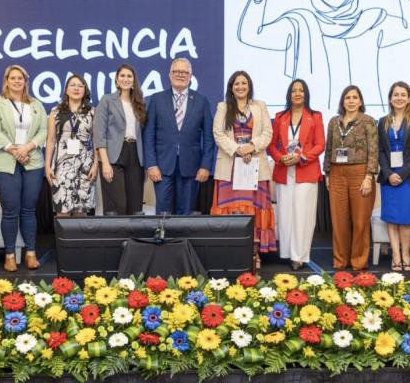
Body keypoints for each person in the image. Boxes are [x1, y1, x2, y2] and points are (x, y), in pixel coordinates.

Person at [0, 65, 48, 272]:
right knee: (10, 210)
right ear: (6, 81)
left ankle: (30, 254)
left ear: (25, 82)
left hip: (33, 162)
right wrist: (15, 151)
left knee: (29, 210)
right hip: (5, 163)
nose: (17, 81)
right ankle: (10, 255)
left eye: (20, 78)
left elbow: (43, 130)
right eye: (13, 78)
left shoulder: (36, 104)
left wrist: (27, 148)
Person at [211, 71, 275, 270]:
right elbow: (218, 134)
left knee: (254, 212)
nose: (240, 86)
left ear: (249, 86)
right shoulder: (223, 107)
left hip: (254, 166)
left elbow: (267, 133)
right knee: (232, 212)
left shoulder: (260, 106)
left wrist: (251, 147)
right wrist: (238, 149)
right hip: (230, 167)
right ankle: (232, 253)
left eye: (244, 83)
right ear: (231, 87)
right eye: (236, 83)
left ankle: (254, 255)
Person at [144, 58, 214, 215]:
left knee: (186, 213)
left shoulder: (202, 101)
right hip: (162, 167)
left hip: (191, 167)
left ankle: (183, 240)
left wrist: (205, 166)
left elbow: (209, 138)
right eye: (176, 72)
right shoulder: (157, 99)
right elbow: (149, 135)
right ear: (169, 75)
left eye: (184, 72)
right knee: (162, 214)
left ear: (190, 76)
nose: (180, 75)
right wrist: (151, 164)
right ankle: (162, 240)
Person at [267, 79, 324, 270]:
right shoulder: (280, 117)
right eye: (294, 90)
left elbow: (320, 145)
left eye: (301, 90)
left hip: (305, 170)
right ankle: (287, 252)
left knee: (303, 213)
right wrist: (280, 158)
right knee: (286, 213)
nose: (297, 93)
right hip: (284, 171)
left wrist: (301, 158)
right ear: (289, 95)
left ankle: (299, 255)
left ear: (306, 94)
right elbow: (271, 144)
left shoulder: (315, 117)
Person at [324, 85, 378, 271]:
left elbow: (373, 151)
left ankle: (358, 261)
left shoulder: (368, 122)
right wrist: (327, 173)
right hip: (337, 174)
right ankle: (340, 261)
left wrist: (369, 177)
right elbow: (329, 148)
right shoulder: (333, 122)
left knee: (360, 221)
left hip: (360, 173)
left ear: (361, 101)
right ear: (343, 101)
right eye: (348, 97)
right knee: (339, 221)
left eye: (355, 97)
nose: (351, 101)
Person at [377, 82, 410, 271]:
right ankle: (395, 255)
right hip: (389, 179)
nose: (399, 98)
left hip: (409, 178)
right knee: (391, 218)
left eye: (403, 94)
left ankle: (406, 254)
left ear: (409, 98)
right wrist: (389, 174)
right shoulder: (382, 121)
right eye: (395, 94)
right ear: (390, 98)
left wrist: (401, 174)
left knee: (405, 219)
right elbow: (380, 150)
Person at [94, 64, 146, 215]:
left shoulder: (140, 103)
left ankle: (132, 239)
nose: (126, 79)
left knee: (135, 205)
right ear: (116, 80)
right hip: (113, 155)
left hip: (135, 155)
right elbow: (99, 134)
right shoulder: (107, 100)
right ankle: (114, 239)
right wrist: (105, 163)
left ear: (134, 80)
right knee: (117, 205)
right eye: (122, 76)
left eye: (129, 76)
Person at [46, 75, 97, 216]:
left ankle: (80, 239)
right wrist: (47, 166)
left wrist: (95, 165)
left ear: (85, 90)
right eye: (72, 85)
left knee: (81, 212)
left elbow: (96, 140)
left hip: (85, 166)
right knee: (62, 211)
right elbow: (50, 140)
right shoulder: (55, 112)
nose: (76, 88)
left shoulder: (92, 112)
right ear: (66, 90)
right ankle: (63, 239)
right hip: (62, 167)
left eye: (80, 85)